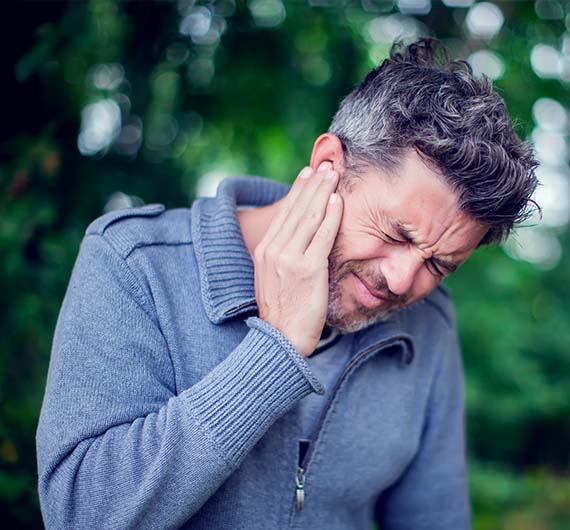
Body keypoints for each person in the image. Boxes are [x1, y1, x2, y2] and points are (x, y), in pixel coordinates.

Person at [36, 38, 538, 530]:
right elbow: (80, 514)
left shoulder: (429, 324)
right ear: (328, 167)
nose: (401, 280)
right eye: (394, 234)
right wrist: (275, 351)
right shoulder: (135, 262)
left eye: (439, 265)